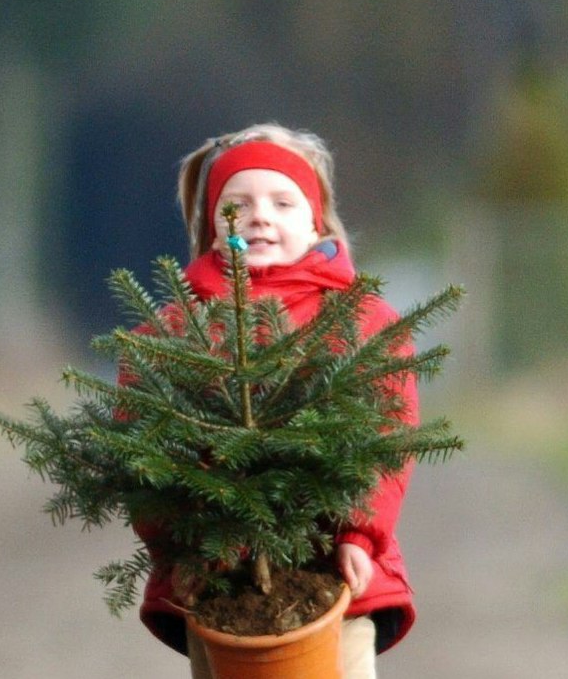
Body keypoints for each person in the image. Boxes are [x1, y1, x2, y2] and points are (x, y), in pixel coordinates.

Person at [138, 123, 419, 679]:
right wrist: (183, 547)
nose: (260, 216)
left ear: (315, 221)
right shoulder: (175, 329)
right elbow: (143, 451)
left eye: (282, 202)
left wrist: (360, 534)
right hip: (219, 582)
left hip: (336, 576)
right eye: (237, 205)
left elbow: (389, 439)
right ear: (213, 226)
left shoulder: (360, 321)